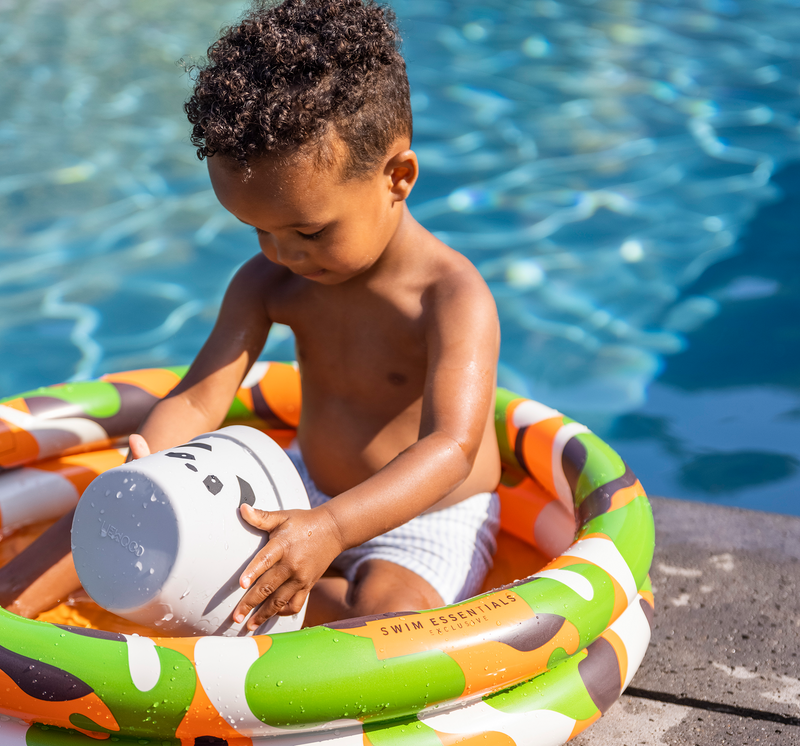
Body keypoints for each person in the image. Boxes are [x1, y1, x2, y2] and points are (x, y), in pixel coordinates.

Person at [0, 0, 502, 629]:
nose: (283, 253)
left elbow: (451, 447)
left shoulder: (450, 297)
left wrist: (332, 528)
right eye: (258, 231)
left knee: (382, 624)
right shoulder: (272, 281)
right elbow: (197, 400)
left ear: (397, 177)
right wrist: (151, 463)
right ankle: (11, 599)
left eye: (309, 231)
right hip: (303, 488)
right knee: (137, 522)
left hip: (424, 514)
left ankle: (321, 598)